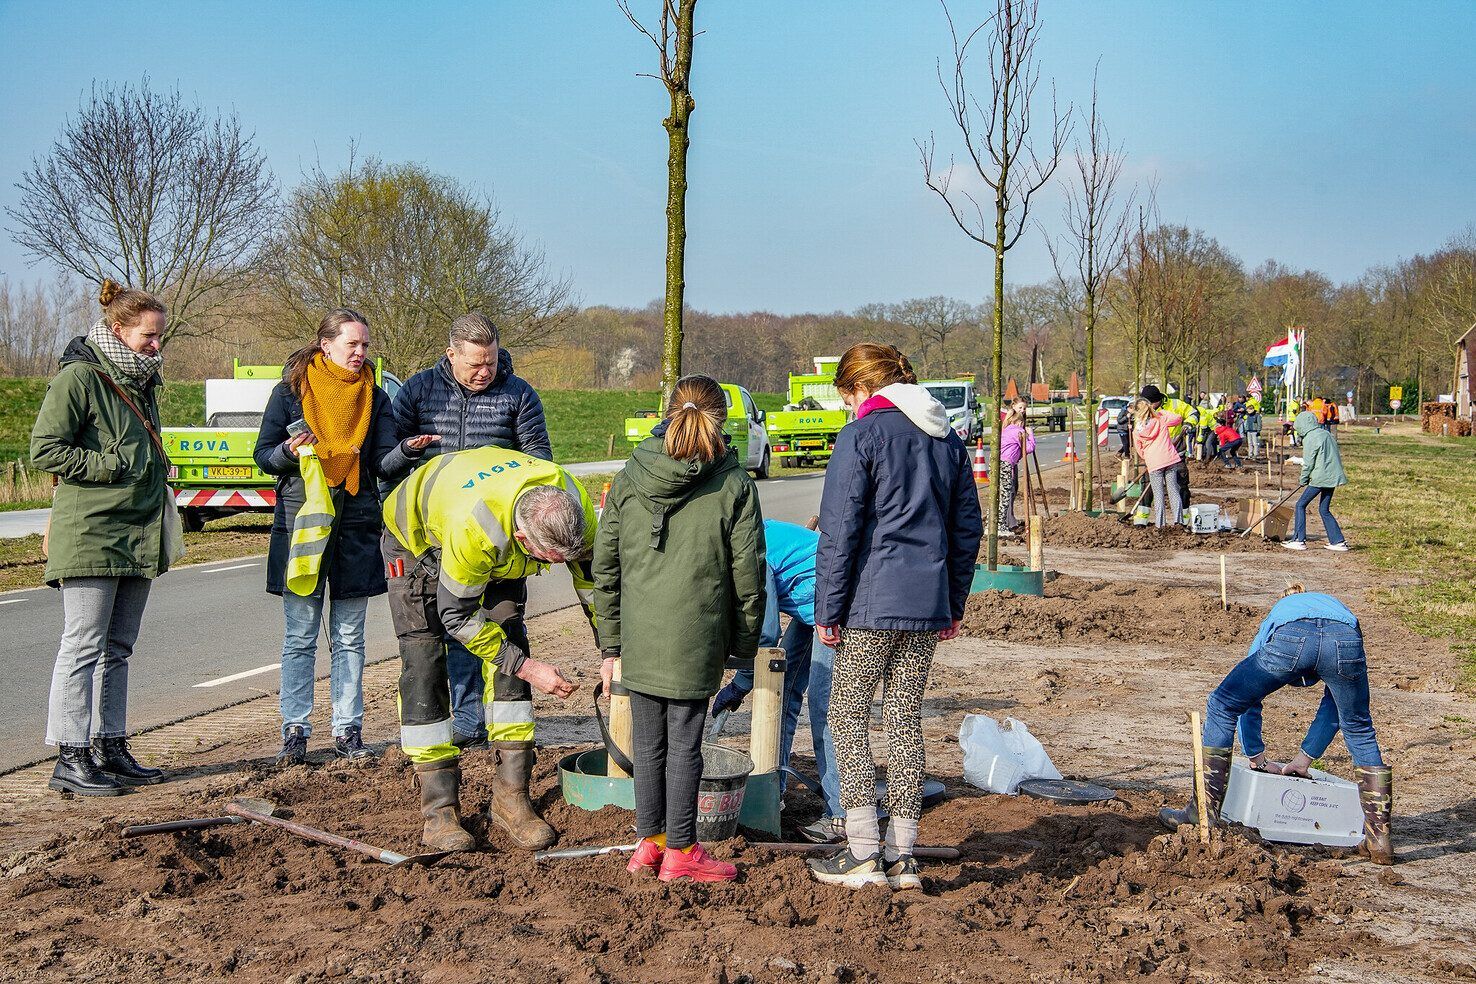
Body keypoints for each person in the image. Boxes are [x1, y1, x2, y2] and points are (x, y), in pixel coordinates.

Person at [809, 344, 982, 892]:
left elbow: (839, 533)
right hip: (926, 603)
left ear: (862, 388)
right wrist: (952, 602)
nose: (847, 406)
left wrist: (826, 609)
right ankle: (903, 854)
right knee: (904, 717)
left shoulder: (862, 436)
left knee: (848, 716)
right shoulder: (946, 439)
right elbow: (967, 529)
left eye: (847, 395)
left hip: (870, 603)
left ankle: (861, 851)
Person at [594, 375, 766, 883]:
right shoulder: (734, 484)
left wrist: (612, 643)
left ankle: (651, 841)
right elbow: (748, 576)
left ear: (664, 413)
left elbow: (605, 564)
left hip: (641, 636)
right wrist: (743, 645)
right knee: (685, 745)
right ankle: (684, 850)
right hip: (699, 633)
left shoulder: (630, 474)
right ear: (724, 419)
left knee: (649, 745)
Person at [31, 280, 178, 795]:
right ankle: (71, 756)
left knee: (118, 647)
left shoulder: (143, 380)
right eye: (148, 336)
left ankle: (110, 746)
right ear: (118, 329)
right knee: (83, 645)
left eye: (160, 337)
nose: (157, 346)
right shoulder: (79, 378)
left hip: (136, 532)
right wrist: (112, 464)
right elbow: (46, 450)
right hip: (91, 531)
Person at [389, 313, 551, 752]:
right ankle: (446, 726)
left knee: (493, 626)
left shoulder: (519, 396)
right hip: (428, 533)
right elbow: (384, 464)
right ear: (451, 354)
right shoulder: (418, 391)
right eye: (475, 364)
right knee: (434, 634)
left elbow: (539, 463)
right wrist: (406, 452)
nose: (485, 372)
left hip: (493, 534)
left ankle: (481, 724)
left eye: (492, 362)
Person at [256, 310, 413, 765]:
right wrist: (287, 451)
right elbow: (263, 456)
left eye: (365, 346)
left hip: (356, 524)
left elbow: (381, 465)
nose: (361, 353)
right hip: (301, 522)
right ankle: (295, 732)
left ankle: (348, 731)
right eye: (352, 345)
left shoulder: (377, 398)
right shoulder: (290, 393)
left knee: (350, 636)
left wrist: (404, 451)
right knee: (301, 634)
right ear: (326, 345)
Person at [1159, 585, 1392, 865]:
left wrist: (1256, 757)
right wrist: (1305, 758)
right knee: (1359, 726)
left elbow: (1247, 700)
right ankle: (1379, 839)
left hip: (1291, 640)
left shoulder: (1280, 615)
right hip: (1344, 643)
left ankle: (1203, 813)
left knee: (1223, 703)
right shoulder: (1342, 614)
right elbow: (1335, 708)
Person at [710, 518, 846, 844]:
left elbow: (765, 633)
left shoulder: (754, 551)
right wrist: (739, 687)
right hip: (816, 602)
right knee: (782, 689)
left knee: (826, 709)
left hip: (839, 605)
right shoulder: (755, 534)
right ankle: (775, 792)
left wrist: (736, 679)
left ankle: (840, 816)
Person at [1283, 410, 1349, 551]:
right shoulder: (1326, 433)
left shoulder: (1310, 438)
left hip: (1321, 478)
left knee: (1300, 505)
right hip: (1332, 477)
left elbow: (1309, 462)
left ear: (1303, 424)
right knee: (1324, 509)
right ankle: (1338, 541)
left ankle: (1299, 540)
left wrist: (1303, 479)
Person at [1132, 397, 1184, 528]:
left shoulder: (1137, 430)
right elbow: (1178, 419)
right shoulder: (1161, 418)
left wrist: (1149, 457)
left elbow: (1139, 450)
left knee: (1158, 494)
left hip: (1154, 464)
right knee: (1173, 490)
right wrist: (1163, 412)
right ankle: (1179, 522)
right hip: (1169, 459)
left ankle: (1160, 524)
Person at [998, 404, 1035, 535]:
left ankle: (993, 524)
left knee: (998, 494)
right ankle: (1001, 526)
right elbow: (1028, 448)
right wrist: (1030, 435)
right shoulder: (1018, 431)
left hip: (999, 463)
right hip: (1006, 464)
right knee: (1005, 495)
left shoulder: (1006, 429)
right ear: (1020, 422)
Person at [1243, 393, 1263, 459]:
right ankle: (1250, 454)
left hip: (1254, 431)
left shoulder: (1257, 416)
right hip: (1249, 431)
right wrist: (1245, 430)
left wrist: (1258, 430)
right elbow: (1246, 424)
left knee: (1255, 443)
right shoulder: (1248, 416)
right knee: (1249, 443)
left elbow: (1259, 424)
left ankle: (1255, 454)